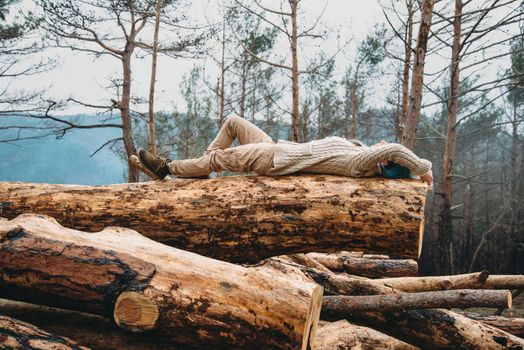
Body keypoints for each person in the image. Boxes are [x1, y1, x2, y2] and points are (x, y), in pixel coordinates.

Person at [137, 115, 433, 188]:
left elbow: (394, 149)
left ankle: (168, 169)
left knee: (218, 158)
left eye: (386, 152)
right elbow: (391, 150)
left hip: (275, 160)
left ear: (386, 162)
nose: (383, 144)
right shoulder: (358, 150)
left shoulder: (361, 164)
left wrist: (423, 167)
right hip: (278, 147)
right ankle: (201, 170)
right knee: (233, 122)